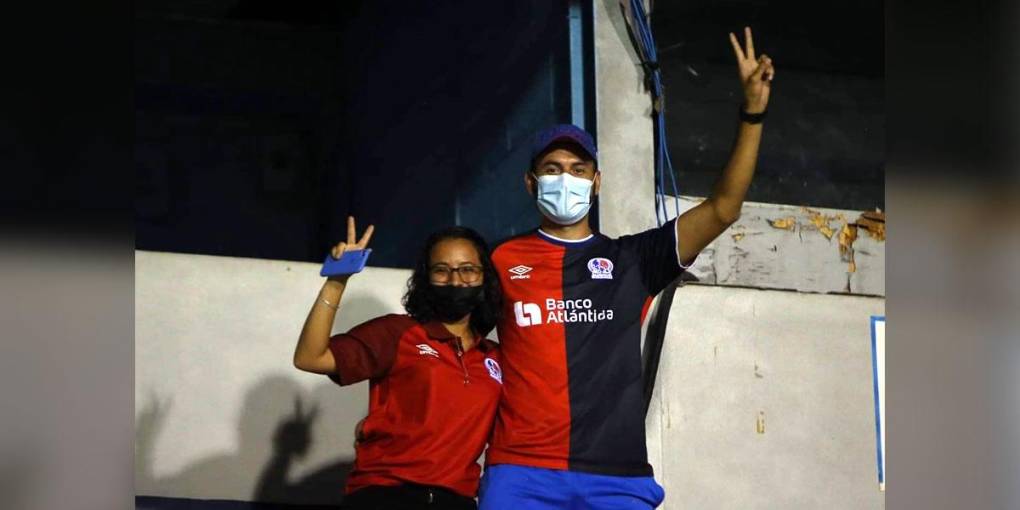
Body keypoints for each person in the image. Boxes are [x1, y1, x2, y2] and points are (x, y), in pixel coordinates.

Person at [478, 28, 775, 509]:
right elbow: (457, 347)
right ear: (531, 183)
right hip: (522, 472)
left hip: (617, 477)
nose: (565, 179)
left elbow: (723, 209)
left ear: (596, 184)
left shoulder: (634, 259)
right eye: (553, 169)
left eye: (578, 170)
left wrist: (753, 113)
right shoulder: (500, 260)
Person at [293, 217, 505, 510]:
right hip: (385, 495)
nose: (456, 280)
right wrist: (336, 281)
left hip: (457, 502)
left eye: (468, 270)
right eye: (442, 271)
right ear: (425, 278)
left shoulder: (496, 357)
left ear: (486, 277)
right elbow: (310, 357)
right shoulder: (397, 332)